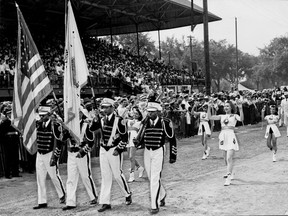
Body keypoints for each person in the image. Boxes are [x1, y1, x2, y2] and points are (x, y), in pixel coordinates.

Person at [134, 101, 177, 214]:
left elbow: (172, 139)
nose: (150, 114)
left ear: (158, 112)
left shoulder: (165, 122)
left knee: (154, 177)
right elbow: (142, 136)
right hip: (147, 151)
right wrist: (138, 142)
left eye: (152, 112)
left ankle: (154, 205)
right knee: (150, 176)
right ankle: (162, 194)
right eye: (148, 112)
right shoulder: (145, 122)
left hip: (159, 150)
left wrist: (173, 155)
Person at [92, 98, 132, 213]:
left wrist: (119, 149)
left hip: (114, 149)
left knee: (117, 174)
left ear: (112, 108)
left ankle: (127, 194)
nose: (104, 109)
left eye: (106, 107)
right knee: (105, 176)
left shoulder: (119, 120)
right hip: (103, 150)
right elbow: (92, 128)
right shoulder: (101, 119)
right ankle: (105, 202)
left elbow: (125, 138)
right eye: (103, 107)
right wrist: (95, 118)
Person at [62, 106, 98, 210]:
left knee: (86, 176)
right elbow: (63, 139)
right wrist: (64, 131)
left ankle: (93, 196)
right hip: (71, 153)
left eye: (78, 112)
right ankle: (70, 202)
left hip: (81, 152)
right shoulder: (69, 125)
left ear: (81, 114)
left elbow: (91, 142)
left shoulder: (87, 124)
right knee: (71, 178)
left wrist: (83, 152)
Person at [33, 105, 66, 209]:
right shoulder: (38, 124)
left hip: (49, 153)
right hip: (40, 153)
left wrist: (55, 157)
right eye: (41, 115)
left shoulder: (55, 125)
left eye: (44, 115)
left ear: (49, 115)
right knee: (40, 178)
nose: (42, 117)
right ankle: (42, 201)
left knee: (54, 176)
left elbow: (58, 141)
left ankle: (62, 195)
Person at [208, 100, 243, 186]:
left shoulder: (234, 115)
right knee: (225, 157)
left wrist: (241, 109)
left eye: (227, 106)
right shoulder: (221, 116)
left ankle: (228, 177)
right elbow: (210, 117)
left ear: (231, 107)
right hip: (223, 136)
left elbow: (241, 119)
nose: (226, 108)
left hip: (231, 135)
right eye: (225, 106)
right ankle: (230, 171)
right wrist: (209, 107)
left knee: (229, 157)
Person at [0, 104, 21, 179]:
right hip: (8, 141)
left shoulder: (15, 122)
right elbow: (2, 133)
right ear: (6, 114)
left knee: (15, 157)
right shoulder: (4, 123)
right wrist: (4, 141)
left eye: (10, 113)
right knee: (8, 158)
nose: (10, 114)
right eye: (8, 113)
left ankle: (16, 172)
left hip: (15, 141)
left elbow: (18, 132)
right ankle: (8, 173)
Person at [126, 107, 145, 182]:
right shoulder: (128, 120)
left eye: (137, 114)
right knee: (130, 157)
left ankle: (132, 176)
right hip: (128, 139)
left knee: (131, 157)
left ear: (140, 115)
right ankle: (140, 167)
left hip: (134, 139)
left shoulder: (140, 122)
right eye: (134, 113)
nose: (135, 115)